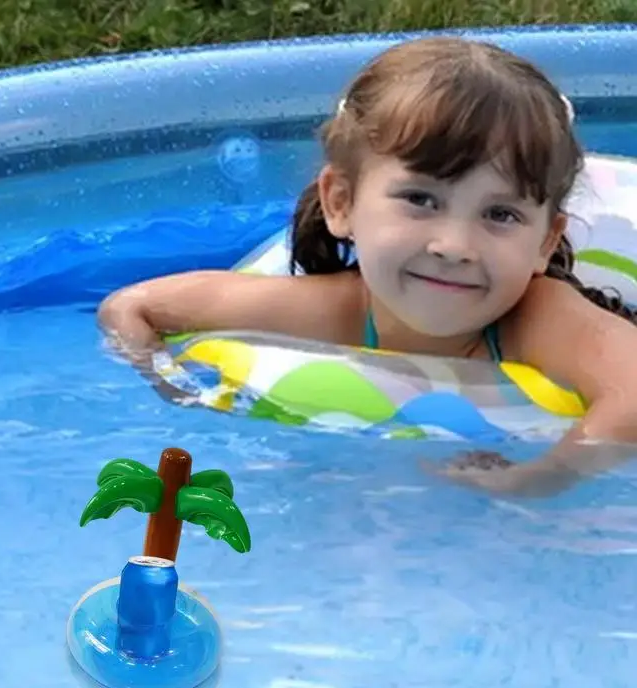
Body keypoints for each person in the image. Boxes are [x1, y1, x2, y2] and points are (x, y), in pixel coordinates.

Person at [98, 36, 637, 496]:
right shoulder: (337, 309)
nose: (455, 245)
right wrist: (172, 391)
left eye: (500, 214)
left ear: (546, 241)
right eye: (421, 200)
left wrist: (538, 480)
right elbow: (132, 307)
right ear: (341, 203)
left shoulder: (538, 316)